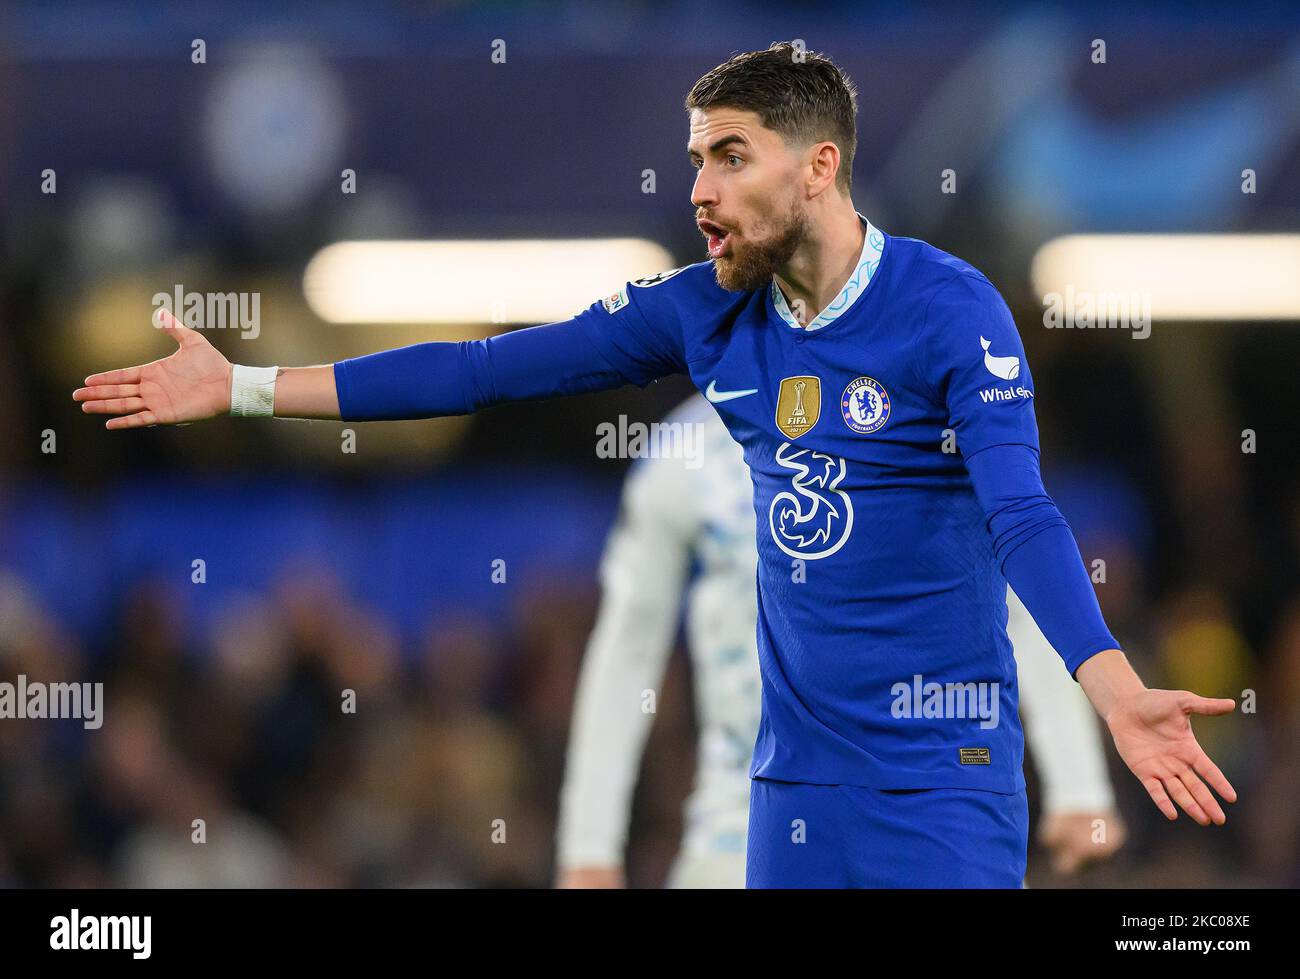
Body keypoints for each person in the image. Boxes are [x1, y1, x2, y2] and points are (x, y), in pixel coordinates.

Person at [74, 43, 1235, 888]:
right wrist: (244, 386)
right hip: (786, 795)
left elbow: (1021, 513)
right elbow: (484, 372)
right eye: (694, 160)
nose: (698, 192)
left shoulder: (948, 312)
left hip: (941, 781)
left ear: (818, 166)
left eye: (731, 158)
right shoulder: (702, 314)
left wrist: (1109, 683)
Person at [556, 395, 1124, 888]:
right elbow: (628, 648)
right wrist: (589, 850)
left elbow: (1015, 611)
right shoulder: (688, 453)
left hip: (933, 802)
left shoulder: (928, 429)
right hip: (744, 823)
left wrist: (1079, 784)